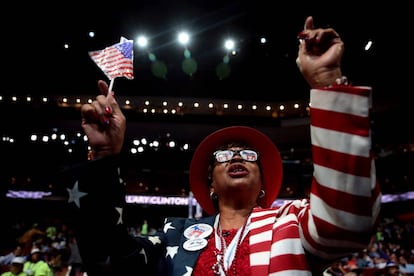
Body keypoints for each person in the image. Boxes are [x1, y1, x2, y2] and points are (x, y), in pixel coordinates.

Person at [61, 16, 381, 275]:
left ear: (262, 185)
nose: (237, 156)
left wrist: (326, 83)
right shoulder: (176, 233)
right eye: (225, 154)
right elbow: (109, 261)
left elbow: (347, 224)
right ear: (210, 183)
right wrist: (104, 156)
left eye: (247, 154)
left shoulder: (293, 220)